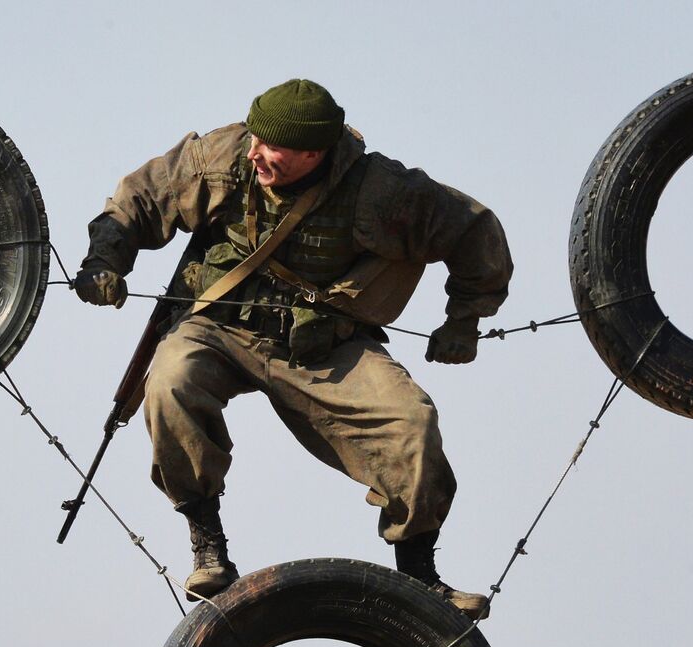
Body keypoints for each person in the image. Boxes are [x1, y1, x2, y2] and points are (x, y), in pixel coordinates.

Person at [73, 79, 512, 618]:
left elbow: (473, 231)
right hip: (220, 329)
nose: (254, 152)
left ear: (313, 153)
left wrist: (464, 320)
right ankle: (207, 543)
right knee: (169, 383)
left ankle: (420, 579)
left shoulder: (383, 190)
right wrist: (104, 263)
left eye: (271, 146)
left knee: (411, 425)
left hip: (324, 349)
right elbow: (137, 201)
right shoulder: (222, 157)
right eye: (255, 138)